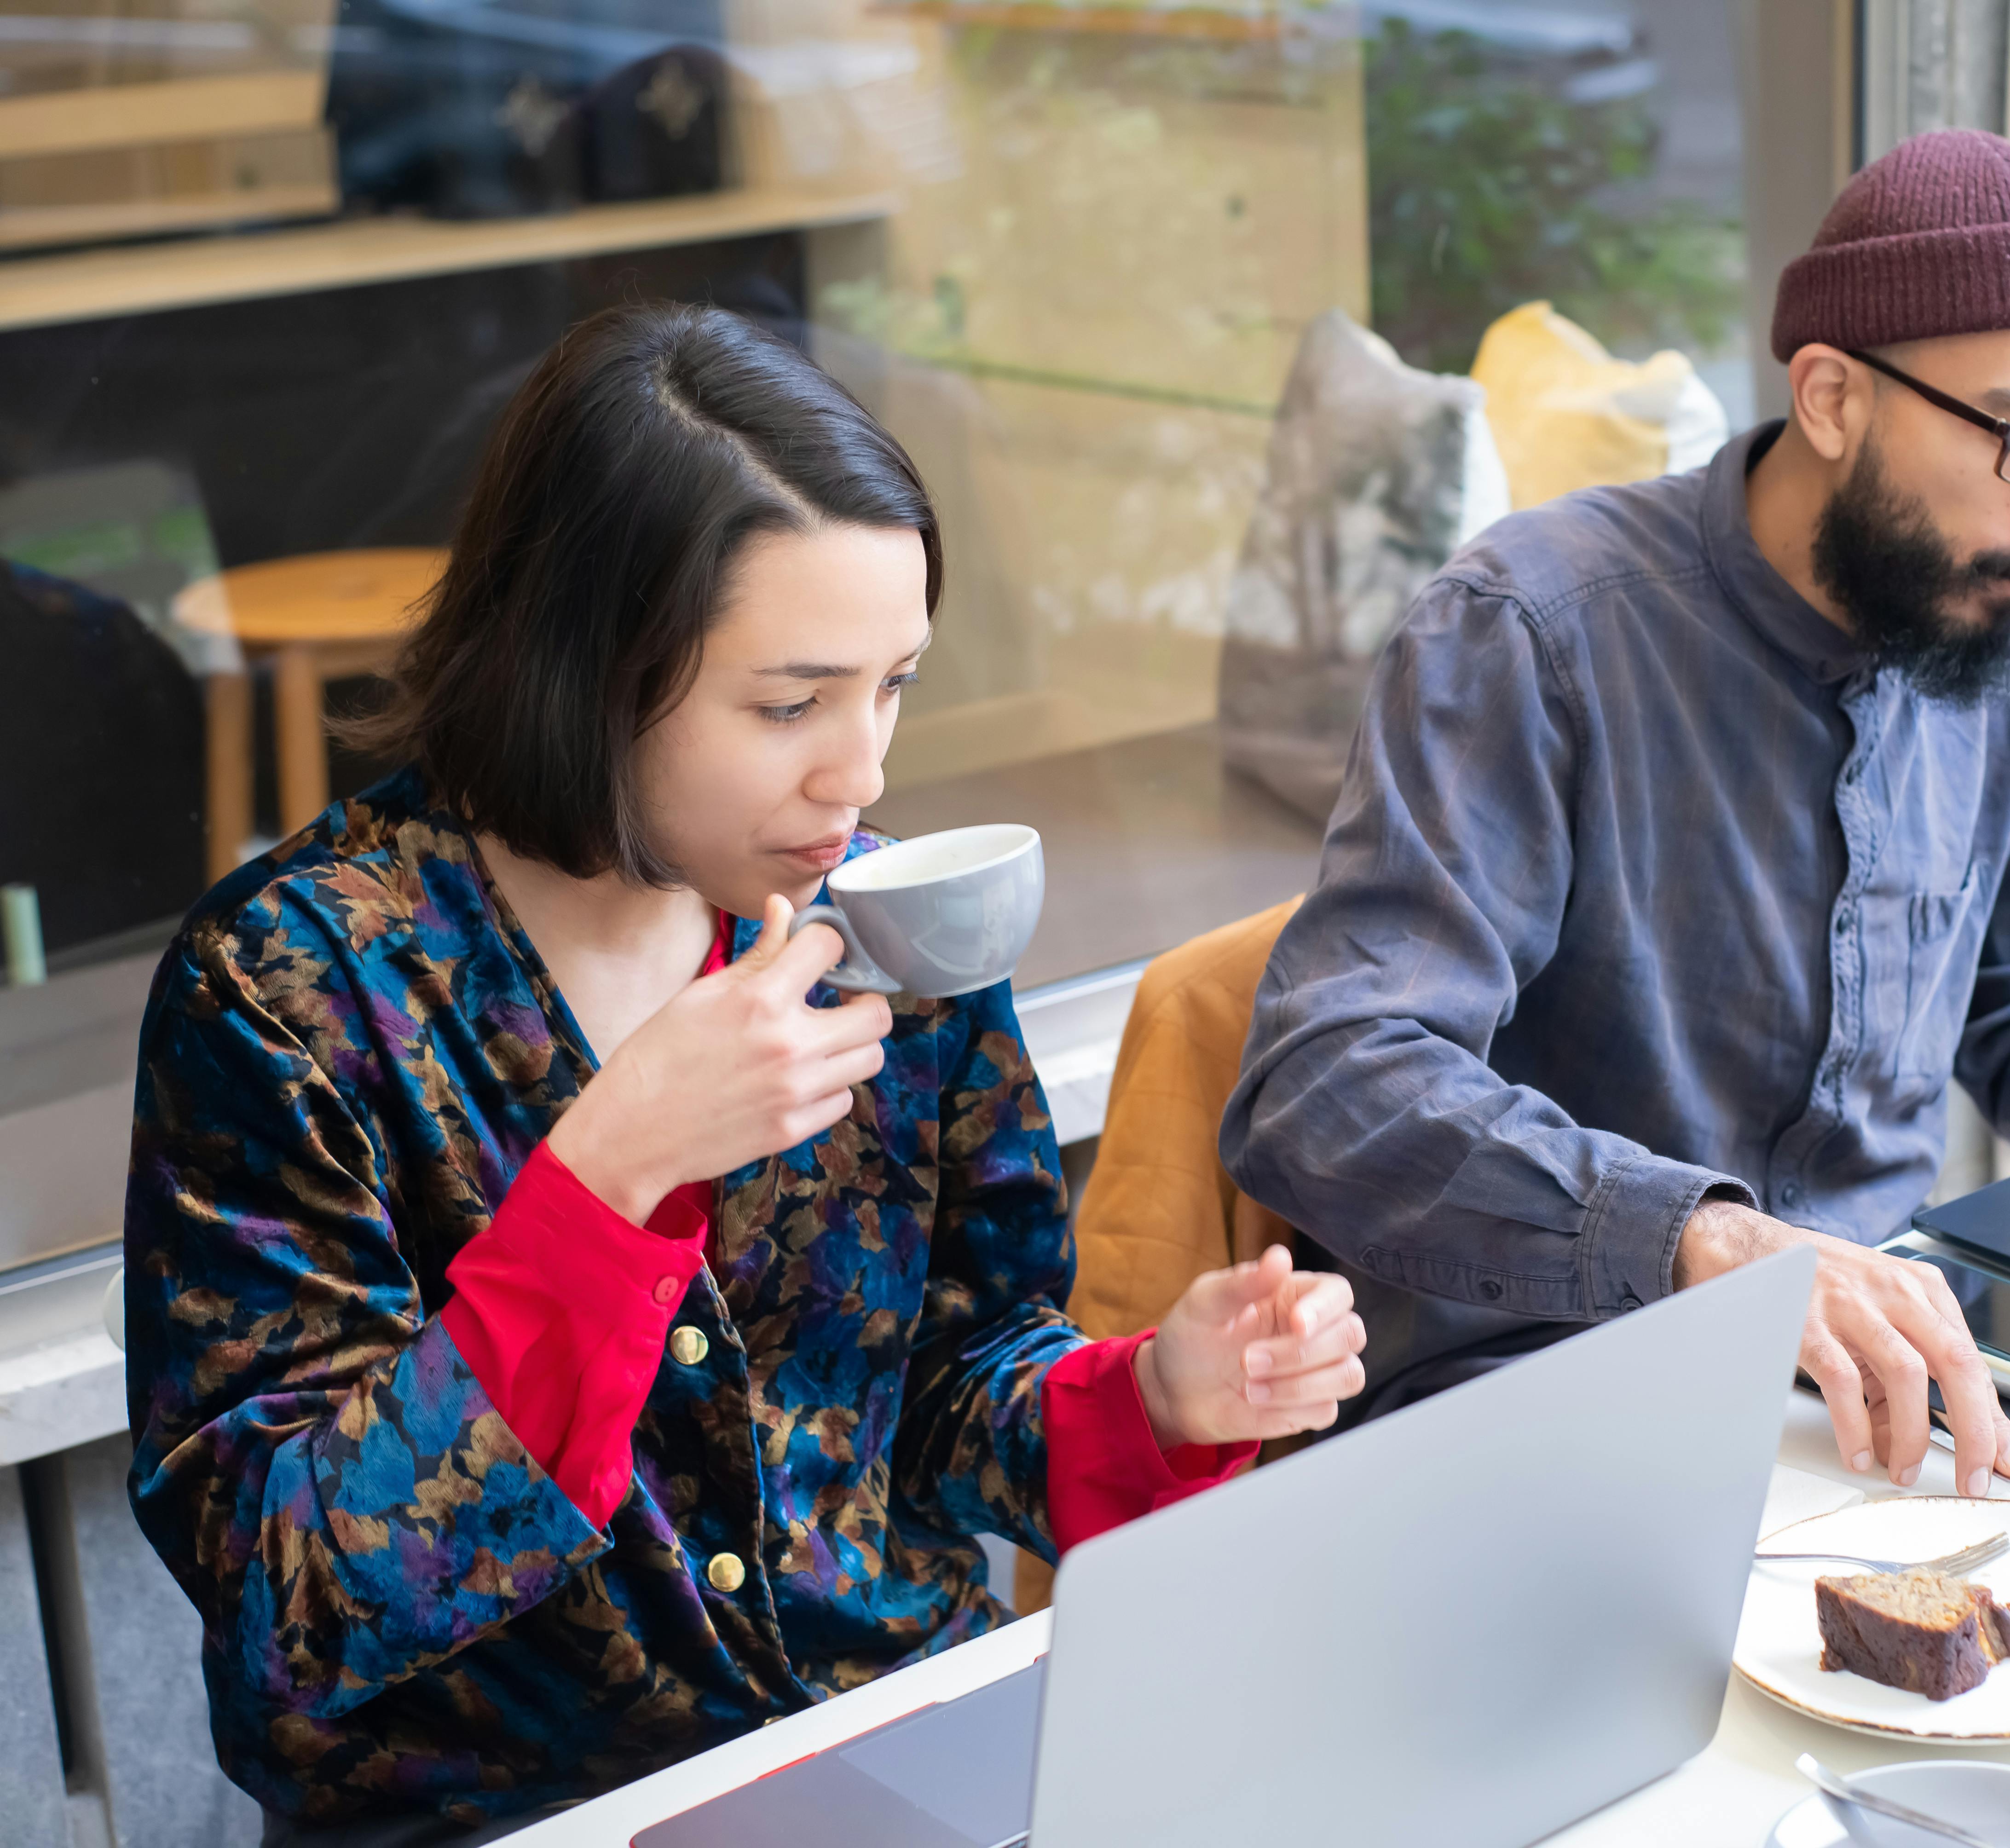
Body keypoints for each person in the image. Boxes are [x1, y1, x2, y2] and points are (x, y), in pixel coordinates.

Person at [122, 303, 1367, 1843]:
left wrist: (1158, 1400)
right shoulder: (293, 993)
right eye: (789, 705)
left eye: (893, 684)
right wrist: (606, 1178)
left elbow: (946, 1387)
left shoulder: (887, 923)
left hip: (909, 1749)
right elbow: (291, 1608)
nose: (862, 774)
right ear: (582, 666)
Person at [1220, 129, 2010, 1502]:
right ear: (1834, 398)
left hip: (1878, 1382)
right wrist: (1718, 1247)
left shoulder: (1982, 638)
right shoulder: (1533, 635)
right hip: (1549, 1399)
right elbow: (1330, 1087)